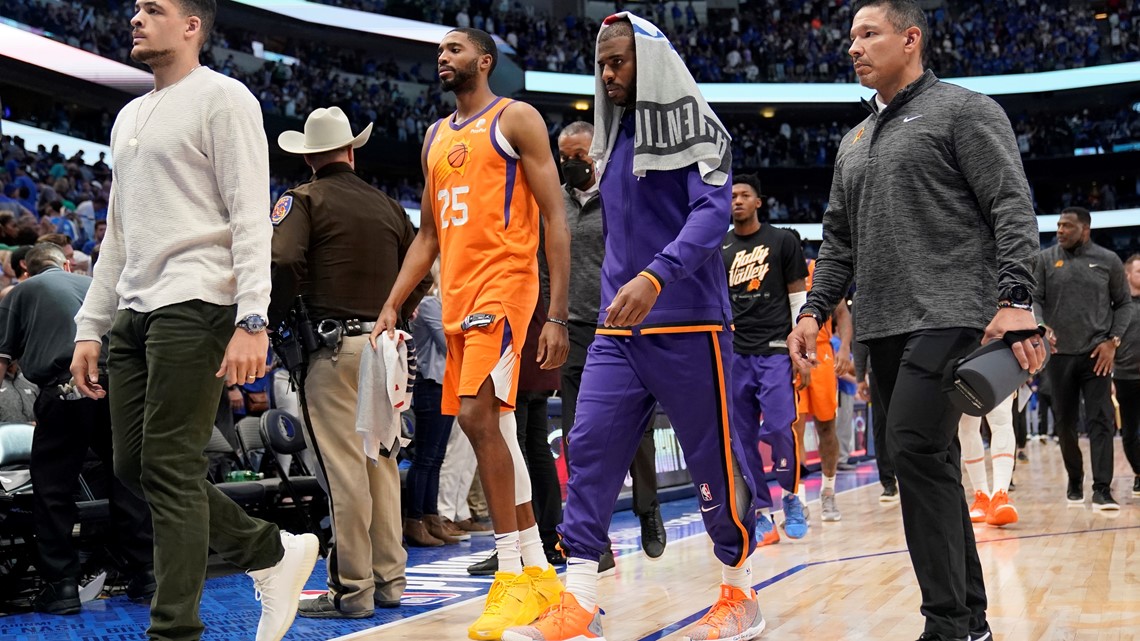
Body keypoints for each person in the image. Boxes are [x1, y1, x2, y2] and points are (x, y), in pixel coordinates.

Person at [787, 2, 1043, 640]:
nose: (854, 47)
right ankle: (971, 620)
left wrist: (1017, 299)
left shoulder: (965, 109)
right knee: (927, 460)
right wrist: (814, 311)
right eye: (851, 37)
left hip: (953, 313)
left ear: (910, 38)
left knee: (913, 449)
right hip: (882, 328)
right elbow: (838, 242)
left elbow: (1012, 204)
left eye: (868, 34)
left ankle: (947, 625)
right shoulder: (854, 141)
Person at [69, 2, 319, 640]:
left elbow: (248, 214)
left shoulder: (225, 98)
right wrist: (90, 326)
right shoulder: (128, 116)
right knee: (133, 467)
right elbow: (117, 236)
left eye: (153, 8)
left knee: (170, 467)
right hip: (133, 309)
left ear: (191, 26)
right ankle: (270, 551)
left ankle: (173, 630)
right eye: (133, 8)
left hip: (200, 302)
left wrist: (253, 318)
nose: (134, 16)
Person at [508, 14, 761, 641]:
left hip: (689, 322)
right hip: (619, 330)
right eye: (601, 63)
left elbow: (710, 218)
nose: (607, 73)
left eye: (618, 61)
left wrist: (656, 276)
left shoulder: (702, 131)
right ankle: (582, 601)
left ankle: (740, 593)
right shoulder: (614, 142)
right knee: (588, 446)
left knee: (713, 461)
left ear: (650, 62)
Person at [369, 27, 571, 641]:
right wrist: (393, 302)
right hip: (454, 297)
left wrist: (557, 313)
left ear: (484, 61)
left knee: (479, 420)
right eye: (439, 51)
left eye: (455, 49)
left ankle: (509, 574)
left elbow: (556, 217)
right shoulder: (434, 136)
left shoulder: (517, 119)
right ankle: (538, 571)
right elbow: (427, 236)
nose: (443, 57)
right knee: (497, 428)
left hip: (504, 287)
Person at [269, 105, 430, 617]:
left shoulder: (304, 199)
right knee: (381, 465)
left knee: (343, 472)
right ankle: (390, 580)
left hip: (333, 349)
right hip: (384, 350)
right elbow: (423, 268)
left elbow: (282, 259)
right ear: (352, 150)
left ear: (310, 156)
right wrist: (394, 310)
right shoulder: (386, 205)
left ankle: (351, 589)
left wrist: (273, 319)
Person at [0, 243, 154, 614]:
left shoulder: (19, 293)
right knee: (125, 479)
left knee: (53, 488)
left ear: (25, 271)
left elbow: (2, 359)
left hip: (66, 387)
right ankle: (145, 573)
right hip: (118, 386)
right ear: (67, 264)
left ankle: (61, 586)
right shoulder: (92, 284)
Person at [557, 120, 664, 562]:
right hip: (571, 327)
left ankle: (648, 509)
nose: (570, 163)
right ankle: (593, 539)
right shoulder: (555, 204)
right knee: (576, 436)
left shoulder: (621, 197)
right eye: (564, 156)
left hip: (622, 324)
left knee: (633, 433)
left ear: (597, 154)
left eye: (579, 155)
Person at [720, 173, 809, 545]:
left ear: (758, 201)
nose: (737, 200)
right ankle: (761, 512)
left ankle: (791, 496)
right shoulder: (718, 247)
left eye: (744, 195)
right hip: (736, 352)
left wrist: (801, 346)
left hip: (774, 348)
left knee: (779, 427)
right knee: (741, 439)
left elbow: (797, 297)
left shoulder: (782, 240)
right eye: (732, 195)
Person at [1034, 206, 1131, 510]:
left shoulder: (1108, 260)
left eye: (1067, 226)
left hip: (1096, 354)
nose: (1060, 230)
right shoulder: (1046, 259)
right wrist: (1040, 325)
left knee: (1101, 421)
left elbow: (1124, 304)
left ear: (1085, 229)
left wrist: (1112, 342)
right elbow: (1035, 298)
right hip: (1060, 354)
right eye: (1059, 225)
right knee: (1064, 424)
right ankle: (1075, 478)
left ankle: (1102, 488)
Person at [407, 261, 466, 547]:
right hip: (430, 384)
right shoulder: (429, 304)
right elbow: (448, 342)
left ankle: (430, 518)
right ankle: (416, 519)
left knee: (435, 457)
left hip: (442, 384)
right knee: (427, 457)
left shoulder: (431, 304)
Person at [792, 258, 854, 524]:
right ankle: (799, 500)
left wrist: (844, 348)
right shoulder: (778, 267)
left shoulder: (818, 269)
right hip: (792, 355)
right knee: (793, 429)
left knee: (826, 426)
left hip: (822, 355)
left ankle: (828, 491)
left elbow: (842, 312)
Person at [958, 394, 1019, 527]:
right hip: (959, 374)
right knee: (967, 425)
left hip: (1002, 372)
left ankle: (1000, 496)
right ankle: (981, 497)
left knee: (1002, 419)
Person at [1114, 254, 1140, 498]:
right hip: (1124, 377)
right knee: (1130, 432)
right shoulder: (1118, 307)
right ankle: (1139, 474)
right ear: (1128, 275)